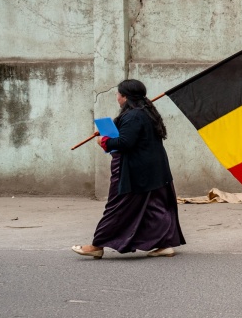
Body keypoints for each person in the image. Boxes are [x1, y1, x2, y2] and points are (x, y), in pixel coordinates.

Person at [71, 79, 185, 259]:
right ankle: (164, 244)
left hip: (135, 172)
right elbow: (132, 136)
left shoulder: (133, 116)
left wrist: (104, 141)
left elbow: (125, 142)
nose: (116, 97)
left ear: (125, 97)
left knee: (118, 207)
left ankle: (97, 245)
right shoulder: (146, 112)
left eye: (118, 94)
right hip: (154, 170)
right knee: (154, 207)